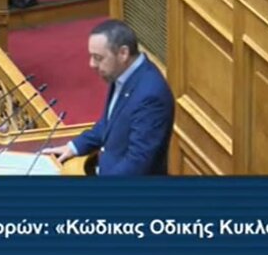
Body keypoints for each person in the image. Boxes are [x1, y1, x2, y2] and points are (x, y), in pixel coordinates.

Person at [43, 20, 175, 175]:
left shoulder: (151, 96)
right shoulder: (121, 73)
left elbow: (137, 164)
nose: (92, 64)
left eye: (98, 58)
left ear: (123, 53)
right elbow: (109, 123)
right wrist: (74, 147)